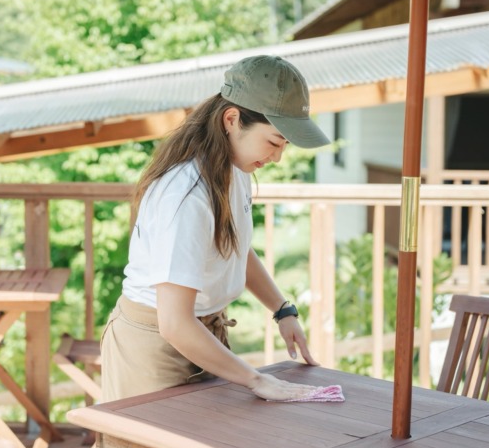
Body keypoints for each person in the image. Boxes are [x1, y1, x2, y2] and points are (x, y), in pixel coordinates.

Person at [101, 55, 331, 404]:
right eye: (274, 142)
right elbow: (174, 323)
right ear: (232, 119)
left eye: (284, 146)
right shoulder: (185, 195)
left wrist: (282, 309)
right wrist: (255, 380)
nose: (277, 158)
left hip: (201, 334)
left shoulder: (233, 171)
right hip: (157, 348)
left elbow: (234, 247)